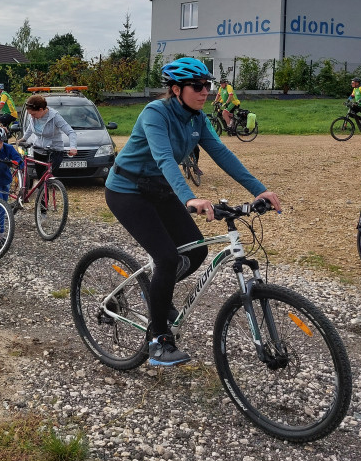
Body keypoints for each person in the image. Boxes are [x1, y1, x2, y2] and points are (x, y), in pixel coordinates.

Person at [105, 58, 281, 366]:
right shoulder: (155, 113)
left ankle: (156, 293)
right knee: (167, 257)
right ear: (176, 90)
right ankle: (158, 340)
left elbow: (222, 154)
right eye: (197, 87)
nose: (205, 92)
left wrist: (259, 190)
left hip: (159, 191)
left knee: (196, 252)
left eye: (207, 86)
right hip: (126, 190)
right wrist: (190, 198)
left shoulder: (197, 119)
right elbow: (164, 159)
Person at [21, 94, 78, 181]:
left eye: (33, 114)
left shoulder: (55, 117)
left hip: (54, 150)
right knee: (41, 179)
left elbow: (71, 132)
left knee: (48, 177)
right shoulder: (33, 117)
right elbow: (30, 128)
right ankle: (42, 193)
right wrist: (23, 139)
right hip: (39, 149)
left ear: (41, 109)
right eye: (30, 114)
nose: (31, 116)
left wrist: (73, 147)